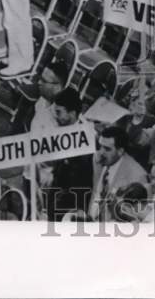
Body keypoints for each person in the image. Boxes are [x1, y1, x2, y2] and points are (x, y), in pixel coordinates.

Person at [40, 88, 94, 221]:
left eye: (59, 112)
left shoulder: (85, 139)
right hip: (55, 192)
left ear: (72, 113)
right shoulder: (62, 129)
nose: (56, 116)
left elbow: (83, 182)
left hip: (70, 202)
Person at [89, 125, 149, 222]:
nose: (101, 152)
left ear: (120, 151)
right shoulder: (98, 159)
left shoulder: (137, 176)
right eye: (100, 146)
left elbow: (138, 217)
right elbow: (96, 192)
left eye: (107, 149)